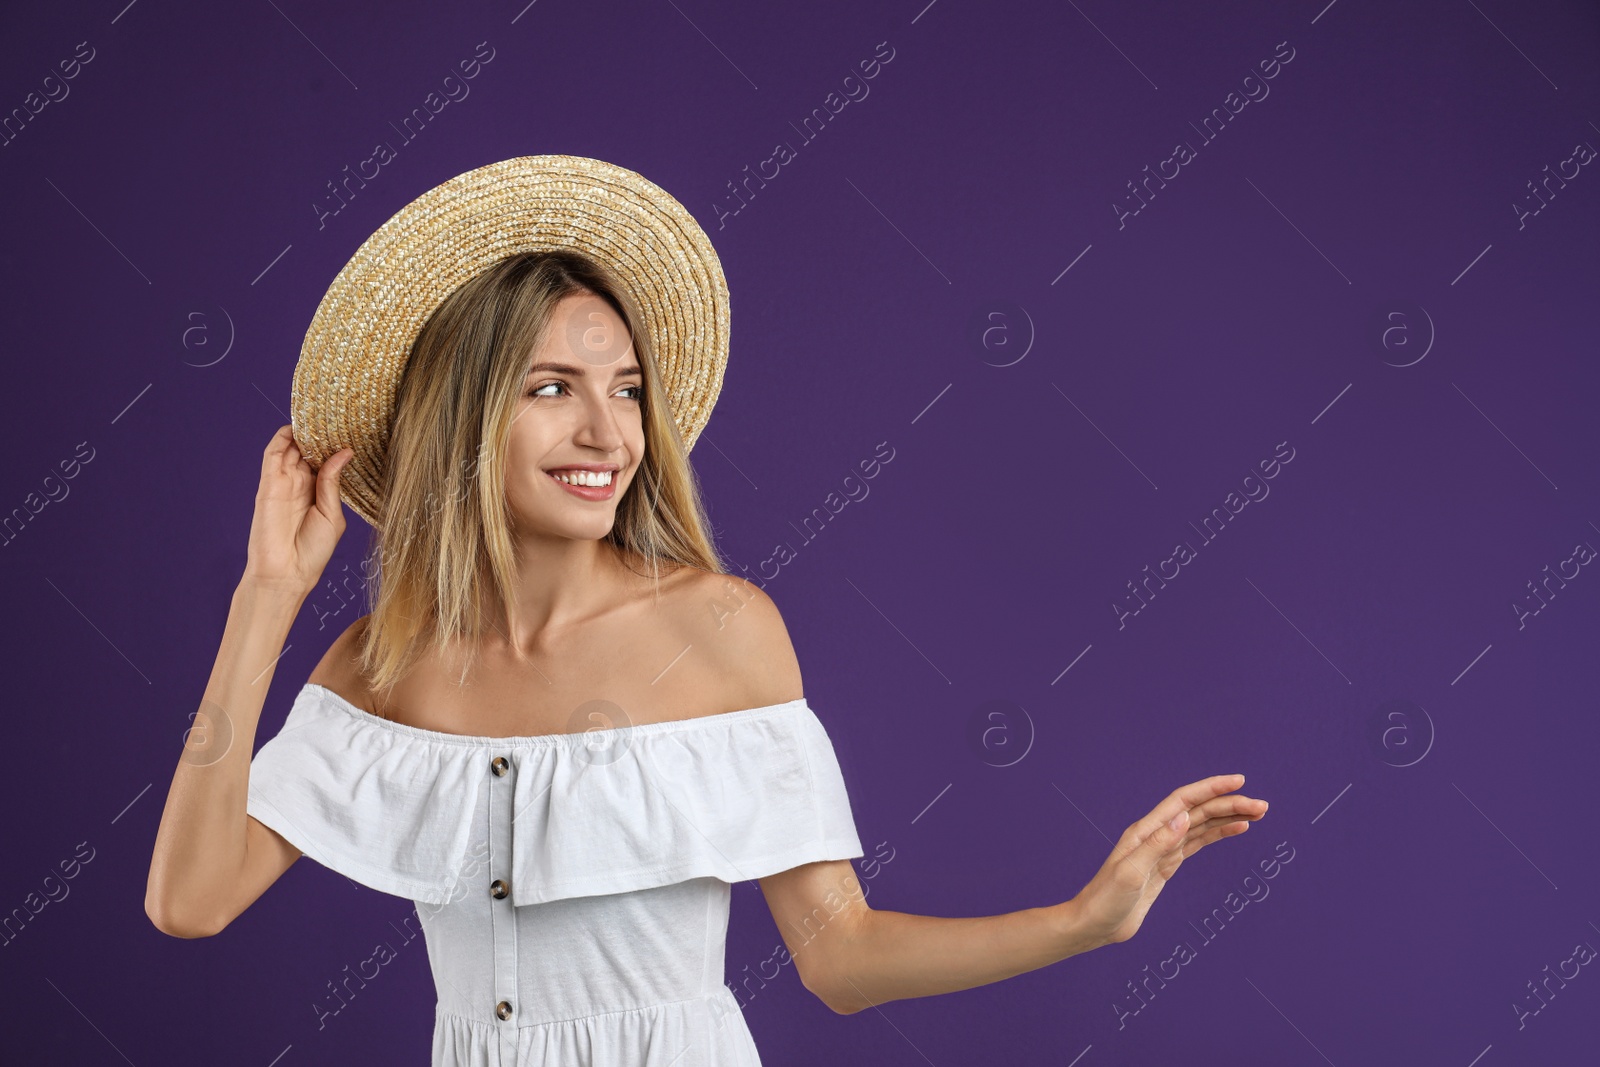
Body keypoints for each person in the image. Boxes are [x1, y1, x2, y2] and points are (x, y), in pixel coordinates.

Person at [144, 157, 1268, 1066]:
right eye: (552, 388)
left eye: (626, 388)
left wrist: (1083, 918)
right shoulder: (382, 663)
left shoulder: (722, 628)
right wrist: (266, 598)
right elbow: (189, 900)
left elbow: (839, 958)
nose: (607, 432)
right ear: (461, 417)